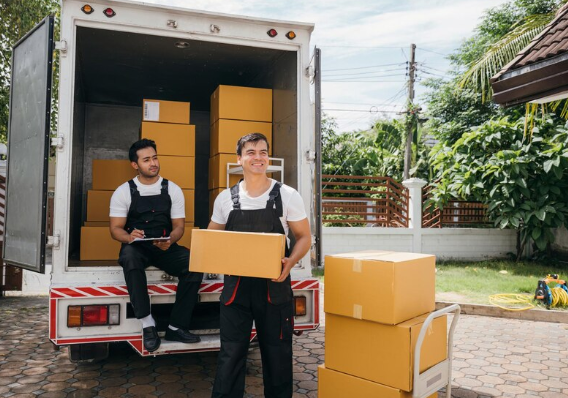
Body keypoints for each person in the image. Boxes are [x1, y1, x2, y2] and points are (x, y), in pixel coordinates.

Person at [209, 133, 311, 398]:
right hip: (235, 291)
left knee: (277, 355)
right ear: (239, 159)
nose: (258, 157)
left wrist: (291, 262)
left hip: (274, 289)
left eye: (263, 152)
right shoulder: (224, 199)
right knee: (230, 354)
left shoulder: (287, 196)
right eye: (251, 152)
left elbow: (304, 238)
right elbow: (212, 239)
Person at [109, 138, 203, 352]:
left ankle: (176, 326)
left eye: (155, 158)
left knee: (195, 264)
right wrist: (129, 237)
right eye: (146, 160)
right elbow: (115, 229)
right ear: (135, 165)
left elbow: (180, 226)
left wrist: (170, 240)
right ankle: (147, 324)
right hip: (136, 246)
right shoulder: (123, 191)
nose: (153, 163)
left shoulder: (173, 189)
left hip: (164, 246)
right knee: (129, 258)